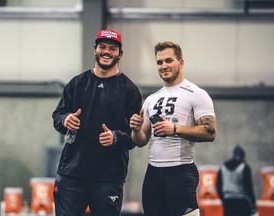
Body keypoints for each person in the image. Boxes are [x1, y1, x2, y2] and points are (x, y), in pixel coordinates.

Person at [52, 29, 142, 216]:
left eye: (112, 48)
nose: (106, 51)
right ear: (95, 50)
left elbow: (135, 136)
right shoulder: (77, 83)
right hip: (71, 175)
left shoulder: (130, 90)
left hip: (108, 178)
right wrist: (65, 119)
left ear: (120, 54)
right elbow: (58, 116)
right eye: (102, 47)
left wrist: (116, 137)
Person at [129, 41, 217, 216]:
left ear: (181, 62)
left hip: (180, 171)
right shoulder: (151, 99)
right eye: (159, 62)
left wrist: (174, 129)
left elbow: (210, 132)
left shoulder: (196, 93)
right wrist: (136, 129)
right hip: (153, 173)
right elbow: (140, 141)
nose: (164, 66)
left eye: (169, 60)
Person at [217, 145, 257, 216]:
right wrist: (253, 202)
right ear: (243, 156)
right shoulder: (244, 167)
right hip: (242, 202)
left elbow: (218, 185)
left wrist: (223, 198)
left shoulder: (223, 168)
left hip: (228, 201)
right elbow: (248, 187)